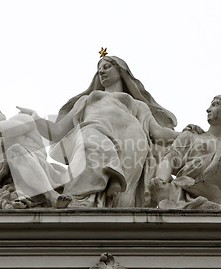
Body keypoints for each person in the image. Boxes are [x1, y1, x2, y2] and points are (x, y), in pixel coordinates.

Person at [18, 55, 179, 207]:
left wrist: (186, 134)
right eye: (99, 69)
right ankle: (77, 201)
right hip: (94, 131)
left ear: (121, 71)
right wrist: (35, 117)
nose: (101, 71)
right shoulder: (87, 100)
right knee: (89, 142)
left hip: (132, 141)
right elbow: (57, 131)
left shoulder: (138, 105)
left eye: (107, 67)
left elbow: (158, 133)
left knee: (123, 199)